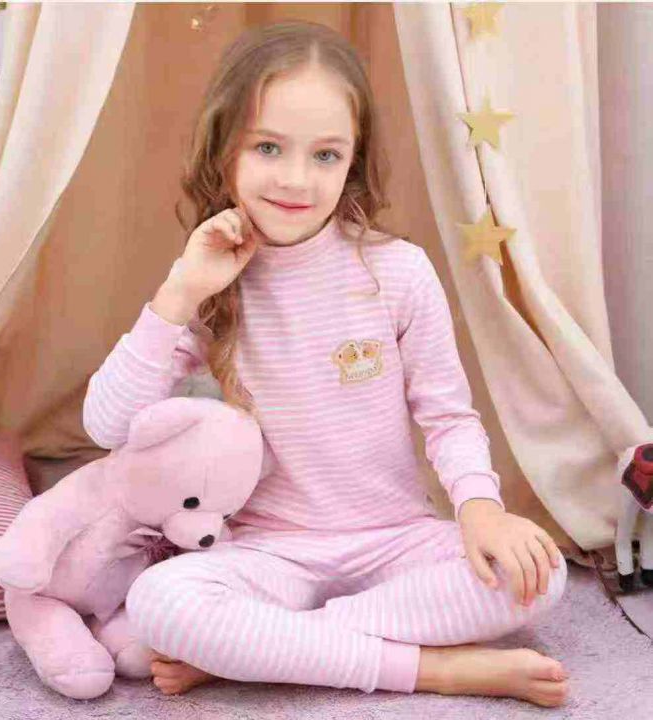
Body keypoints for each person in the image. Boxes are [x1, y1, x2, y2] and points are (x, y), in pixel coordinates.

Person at [83, 20, 569, 708]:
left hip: (396, 540)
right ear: (225, 149)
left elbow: (448, 416)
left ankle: (265, 651)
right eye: (268, 147)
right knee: (160, 601)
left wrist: (482, 510)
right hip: (271, 554)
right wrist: (180, 292)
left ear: (353, 162)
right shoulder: (210, 281)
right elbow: (107, 425)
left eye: (325, 155)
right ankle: (432, 669)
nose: (295, 179)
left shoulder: (399, 272)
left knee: (539, 574)